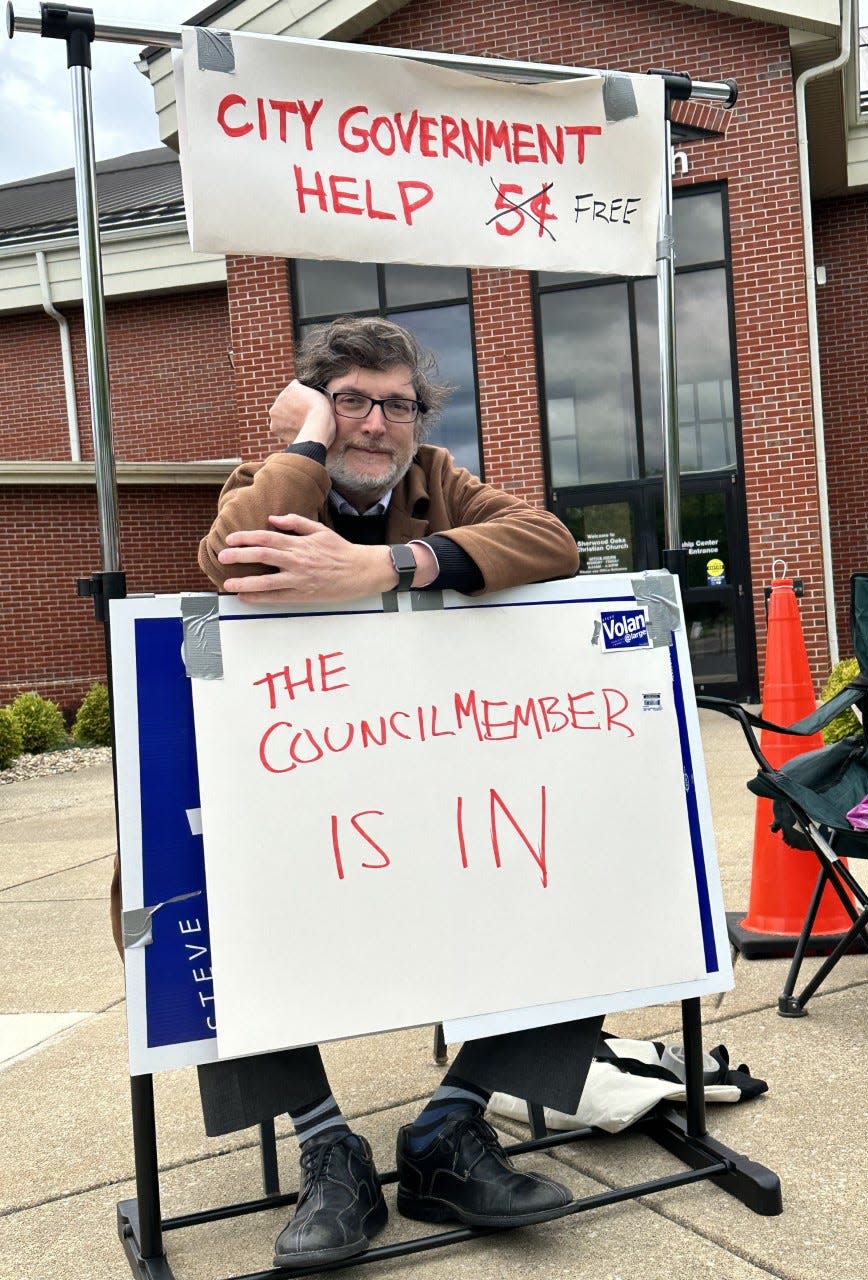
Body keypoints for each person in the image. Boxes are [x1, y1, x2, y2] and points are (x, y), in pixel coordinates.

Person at [197, 315, 601, 1270]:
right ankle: (325, 1143)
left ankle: (448, 1133)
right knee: (191, 899)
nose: (376, 423)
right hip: (294, 791)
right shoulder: (269, 477)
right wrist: (301, 443)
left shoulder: (437, 481)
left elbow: (551, 540)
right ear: (313, 406)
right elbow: (237, 558)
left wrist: (385, 566)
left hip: (432, 784)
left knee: (582, 854)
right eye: (350, 402)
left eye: (397, 404)